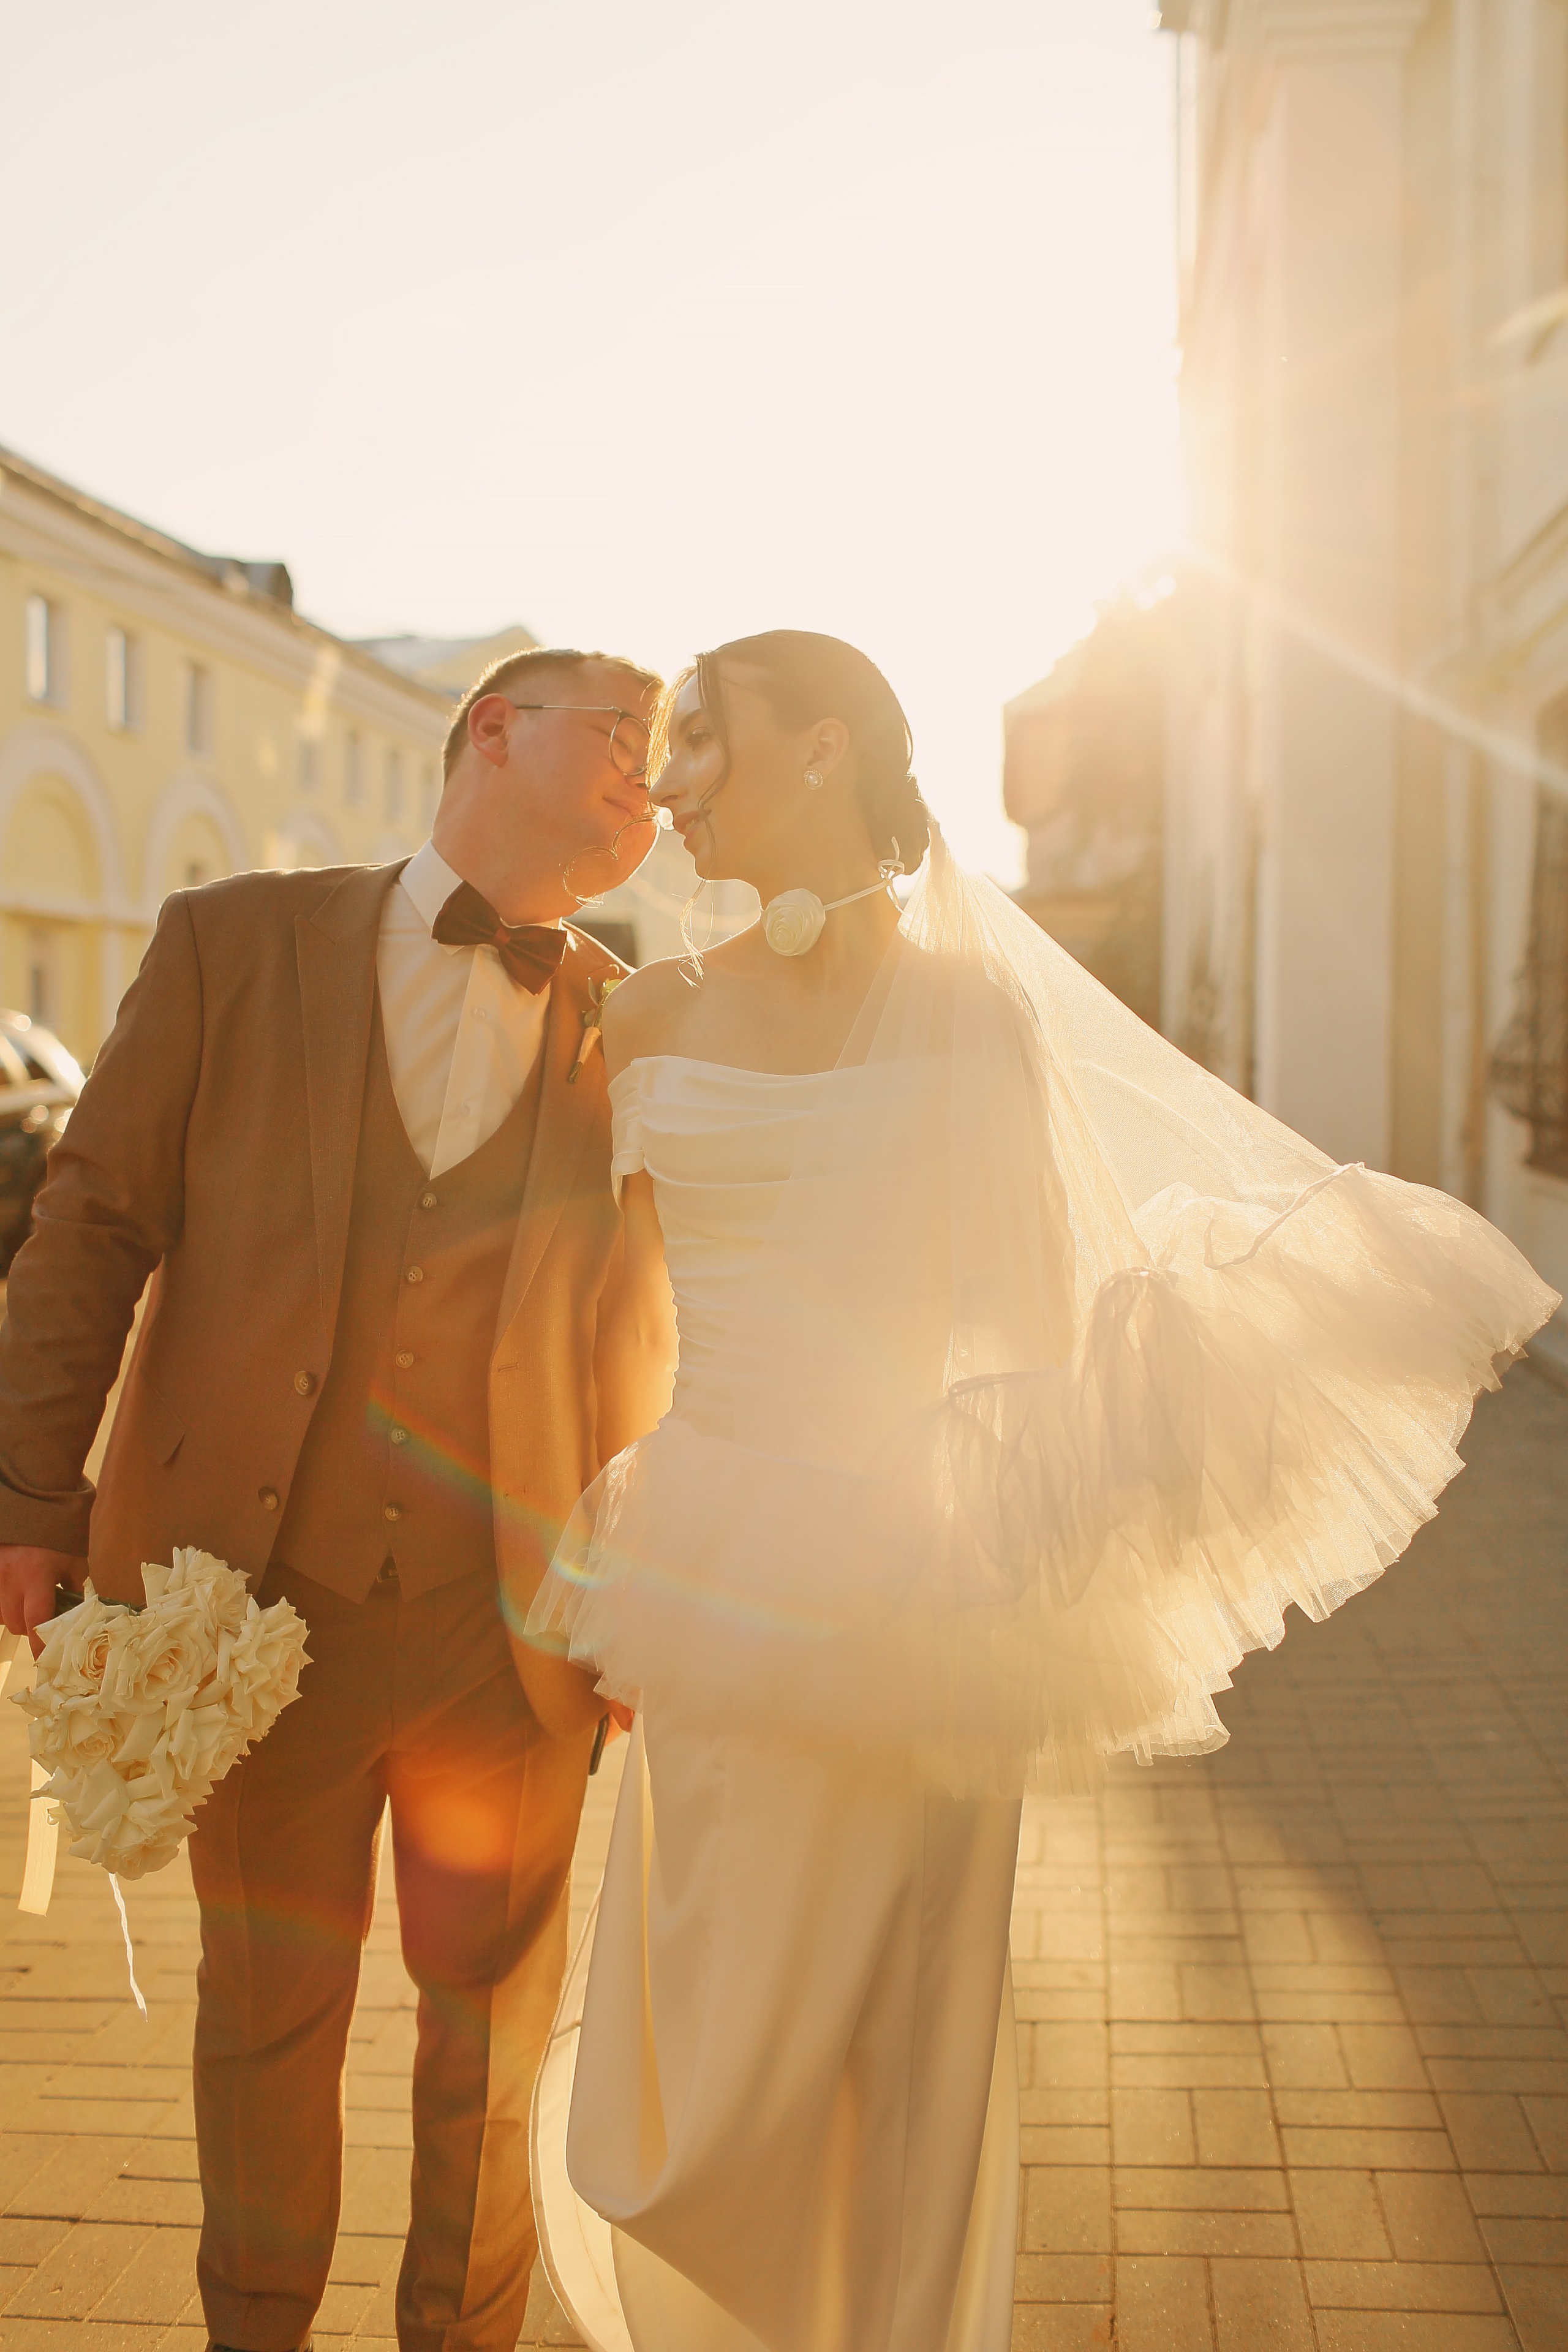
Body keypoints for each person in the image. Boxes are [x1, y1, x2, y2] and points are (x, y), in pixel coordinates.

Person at [514, 630, 1560, 2352]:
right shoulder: (649, 1011)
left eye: (705, 744)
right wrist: (589, 1555)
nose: (671, 783)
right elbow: (610, 1308)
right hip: (715, 1564)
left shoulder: (977, 1013)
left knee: (914, 2040)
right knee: (696, 2054)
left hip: (924, 1582)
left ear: (827, 750)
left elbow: (1037, 1311)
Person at [0, 646, 676, 2352]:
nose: (650, 785)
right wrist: (28, 1495)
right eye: (625, 741)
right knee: (265, 2019)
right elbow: (90, 1226)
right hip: (250, 1606)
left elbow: (639, 1333)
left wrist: (647, 1595)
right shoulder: (232, 943)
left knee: (491, 2049)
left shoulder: (637, 1022)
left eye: (664, 762)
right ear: (495, 732)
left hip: (510, 1631)